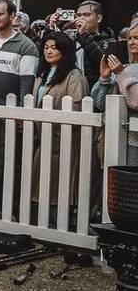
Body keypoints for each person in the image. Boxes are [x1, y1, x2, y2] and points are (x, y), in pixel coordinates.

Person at [30, 31, 88, 223]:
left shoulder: (74, 76)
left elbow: (77, 108)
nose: (49, 51)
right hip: (42, 139)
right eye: (46, 47)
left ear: (64, 50)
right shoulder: (42, 75)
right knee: (42, 187)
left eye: (54, 47)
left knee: (60, 189)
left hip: (64, 141)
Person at [91, 23, 138, 165]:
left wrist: (120, 74)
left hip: (133, 140)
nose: (132, 42)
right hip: (111, 135)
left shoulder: (120, 70)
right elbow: (100, 104)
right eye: (129, 38)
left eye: (136, 38)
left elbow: (135, 102)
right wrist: (104, 78)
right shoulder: (121, 66)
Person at [72, 0, 114, 87]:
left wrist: (84, 35)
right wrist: (53, 27)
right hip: (72, 91)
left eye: (86, 15)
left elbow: (104, 66)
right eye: (78, 15)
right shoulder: (71, 39)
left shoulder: (109, 41)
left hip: (96, 91)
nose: (81, 18)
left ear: (99, 18)